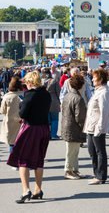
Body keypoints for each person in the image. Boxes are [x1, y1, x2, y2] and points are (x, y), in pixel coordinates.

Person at [7, 71, 51, 203]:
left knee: (23, 160)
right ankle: (38, 189)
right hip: (44, 128)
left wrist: (22, 103)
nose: (25, 84)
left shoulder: (30, 95)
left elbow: (22, 113)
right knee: (39, 160)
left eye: (26, 82)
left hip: (31, 128)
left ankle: (26, 190)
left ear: (31, 82)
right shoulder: (46, 94)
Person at [83, 68, 109, 185]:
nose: (92, 79)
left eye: (94, 77)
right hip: (90, 126)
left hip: (97, 127)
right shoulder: (97, 91)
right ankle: (96, 174)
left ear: (101, 79)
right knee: (91, 151)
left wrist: (99, 128)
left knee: (99, 152)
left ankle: (100, 176)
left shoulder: (104, 92)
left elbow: (104, 112)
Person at [61, 74, 87, 180]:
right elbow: (80, 117)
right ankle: (68, 170)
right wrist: (83, 128)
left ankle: (75, 169)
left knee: (74, 150)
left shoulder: (67, 96)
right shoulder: (78, 98)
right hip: (74, 127)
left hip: (67, 125)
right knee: (72, 151)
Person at [0, 77, 23, 154]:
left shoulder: (7, 96)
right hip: (22, 121)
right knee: (22, 142)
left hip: (10, 121)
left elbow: (2, 111)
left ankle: (13, 159)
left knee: (12, 142)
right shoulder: (24, 95)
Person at [42, 68, 61, 140]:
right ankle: (53, 134)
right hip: (54, 101)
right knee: (55, 119)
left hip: (44, 102)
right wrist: (60, 101)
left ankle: (47, 134)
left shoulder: (41, 82)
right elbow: (59, 92)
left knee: (47, 120)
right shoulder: (54, 81)